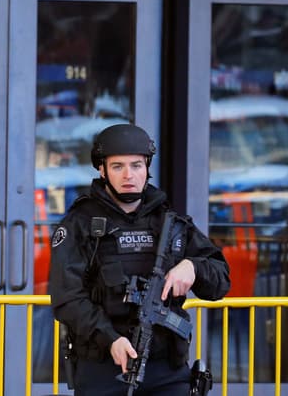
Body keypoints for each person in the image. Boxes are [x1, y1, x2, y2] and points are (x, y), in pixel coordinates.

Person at [49, 123, 230, 396]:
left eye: (136, 165)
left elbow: (221, 280)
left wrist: (193, 267)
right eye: (118, 166)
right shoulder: (81, 224)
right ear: (102, 170)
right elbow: (67, 298)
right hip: (104, 369)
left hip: (167, 371)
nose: (128, 175)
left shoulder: (170, 223)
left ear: (147, 167)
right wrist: (110, 339)